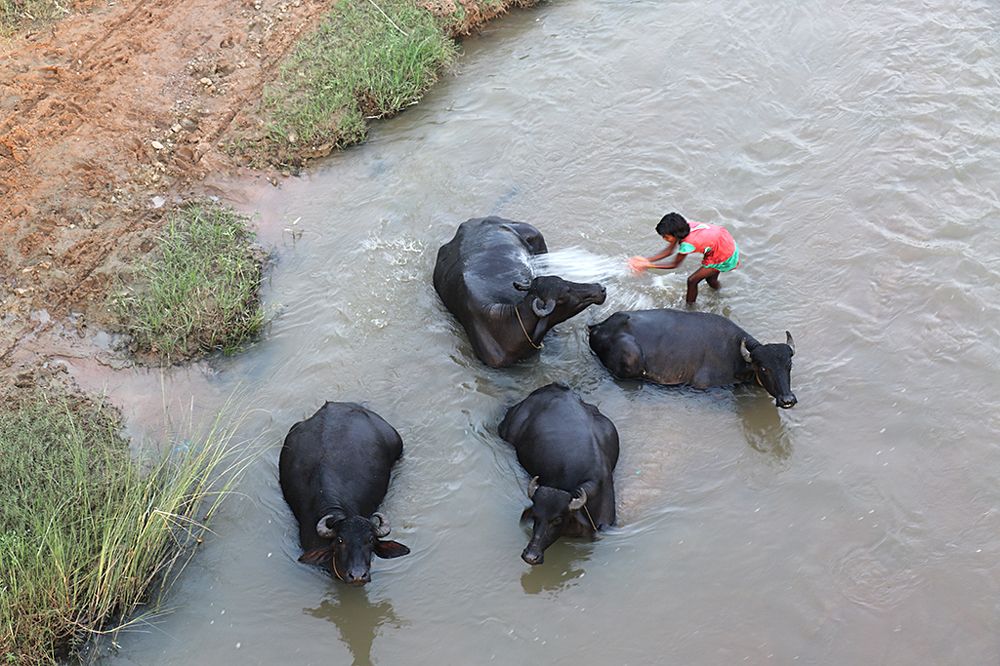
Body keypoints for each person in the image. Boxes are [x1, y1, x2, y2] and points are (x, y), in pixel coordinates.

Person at [628, 212, 740, 303]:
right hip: (725, 242)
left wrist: (648, 266)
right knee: (710, 278)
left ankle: (690, 308)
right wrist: (647, 260)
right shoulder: (684, 228)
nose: (664, 239)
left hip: (723, 255)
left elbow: (675, 264)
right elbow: (669, 251)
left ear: (675, 235)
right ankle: (719, 293)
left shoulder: (687, 244)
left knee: (692, 281)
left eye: (666, 237)